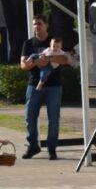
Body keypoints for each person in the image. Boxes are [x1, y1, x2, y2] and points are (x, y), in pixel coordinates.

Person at [20, 14, 71, 160]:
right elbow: (23, 65)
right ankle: (33, 146)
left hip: (54, 85)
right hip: (34, 84)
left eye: (40, 23)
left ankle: (51, 148)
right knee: (30, 117)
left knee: (53, 118)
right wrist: (36, 62)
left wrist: (48, 58)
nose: (37, 26)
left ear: (46, 25)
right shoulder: (29, 43)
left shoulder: (55, 41)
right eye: (35, 24)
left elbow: (65, 59)